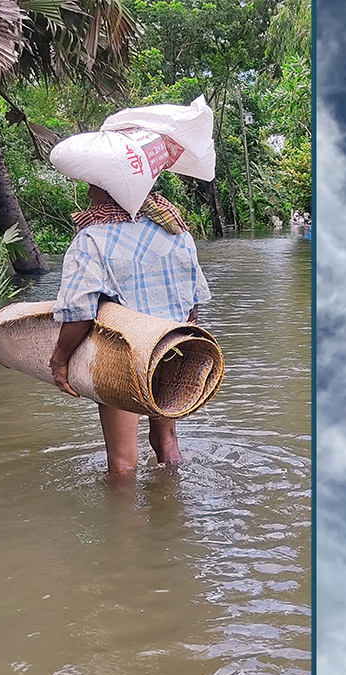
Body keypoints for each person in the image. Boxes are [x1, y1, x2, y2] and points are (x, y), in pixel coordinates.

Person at [48, 184, 211, 475]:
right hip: (169, 347)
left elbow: (79, 313)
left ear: (112, 191)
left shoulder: (92, 238)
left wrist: (59, 361)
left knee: (122, 461)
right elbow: (193, 306)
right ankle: (173, 511)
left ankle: (124, 521)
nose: (88, 194)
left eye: (93, 187)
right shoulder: (176, 231)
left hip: (123, 354)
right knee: (167, 440)